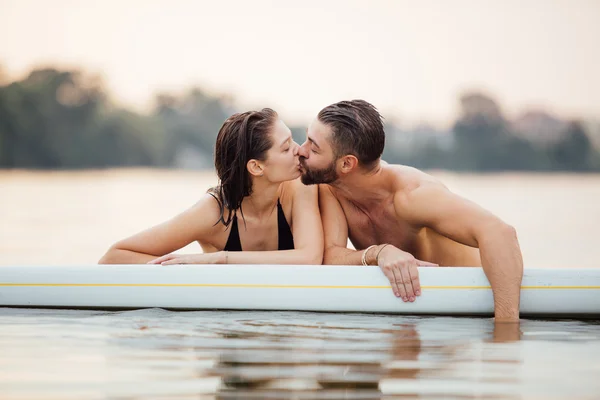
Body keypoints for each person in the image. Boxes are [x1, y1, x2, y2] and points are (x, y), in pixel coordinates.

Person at [297, 100, 523, 322]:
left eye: (313, 147)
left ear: (347, 164)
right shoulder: (332, 187)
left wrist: (505, 331)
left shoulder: (413, 195)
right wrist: (380, 252)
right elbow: (330, 255)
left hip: (466, 313)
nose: (301, 150)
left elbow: (500, 233)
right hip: (413, 314)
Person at [99, 108, 323, 265]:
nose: (300, 150)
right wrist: (189, 268)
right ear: (256, 167)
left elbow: (310, 257)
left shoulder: (301, 188)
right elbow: (114, 257)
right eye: (286, 148)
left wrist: (219, 259)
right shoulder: (213, 211)